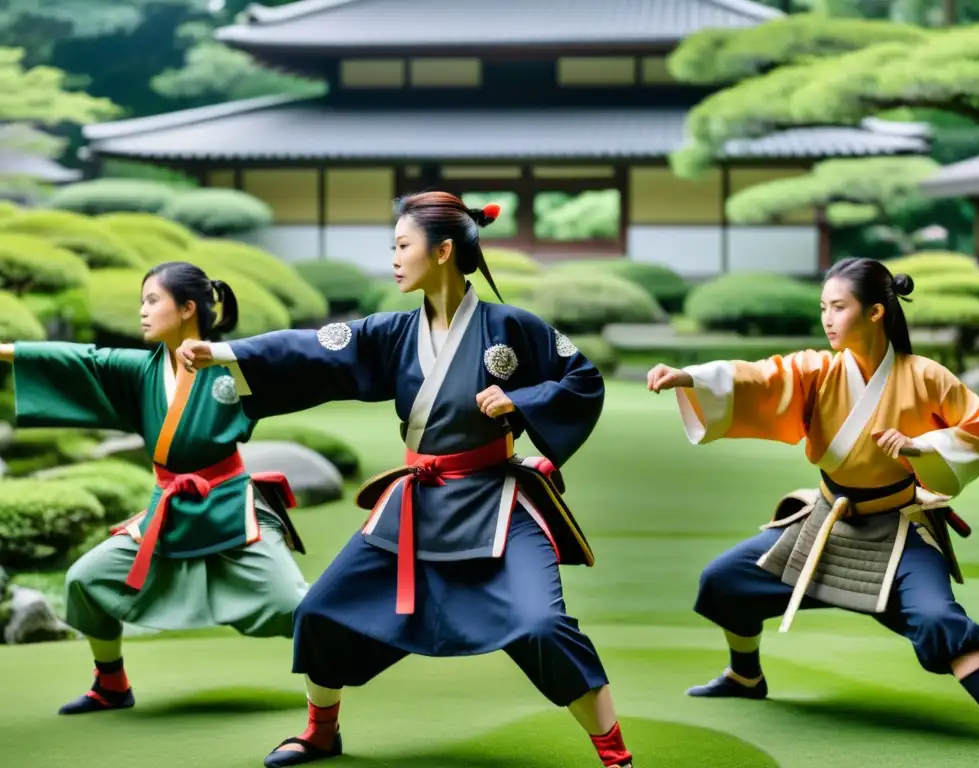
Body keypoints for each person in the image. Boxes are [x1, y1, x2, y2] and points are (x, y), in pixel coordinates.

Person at [177, 192, 634, 768]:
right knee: (319, 611)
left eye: (402, 245)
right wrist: (222, 351)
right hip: (415, 501)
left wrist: (518, 400)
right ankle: (321, 732)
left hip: (497, 501)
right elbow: (313, 348)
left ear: (443, 251)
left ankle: (615, 755)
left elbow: (582, 379)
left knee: (542, 624)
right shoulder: (391, 333)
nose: (392, 258)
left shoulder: (510, 327)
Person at [646, 257, 979, 765]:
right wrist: (689, 377)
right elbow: (759, 378)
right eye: (823, 306)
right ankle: (745, 675)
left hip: (897, 528)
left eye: (838, 307)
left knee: (938, 618)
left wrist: (919, 448)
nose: (827, 318)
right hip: (826, 520)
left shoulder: (926, 377)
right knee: (724, 581)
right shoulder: (818, 368)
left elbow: (977, 430)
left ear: (874, 312)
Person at [0, 261, 308, 716]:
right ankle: (110, 684)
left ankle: (337, 670)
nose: (142, 312)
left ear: (187, 309)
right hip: (169, 511)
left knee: (294, 604)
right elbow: (80, 359)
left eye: (151, 301)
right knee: (84, 579)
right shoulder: (141, 369)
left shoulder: (235, 365)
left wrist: (229, 357)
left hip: (229, 508)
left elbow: (290, 360)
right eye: (141, 302)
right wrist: (5, 350)